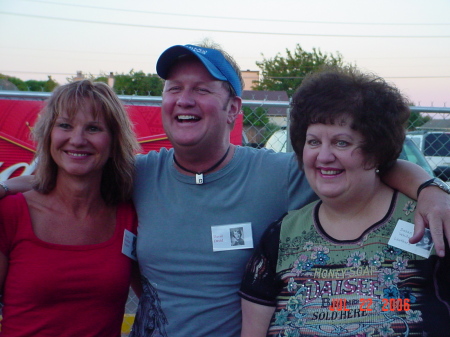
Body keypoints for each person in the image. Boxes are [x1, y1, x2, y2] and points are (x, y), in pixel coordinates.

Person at [3, 44, 450, 337]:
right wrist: (17, 184)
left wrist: (431, 189)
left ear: (234, 107)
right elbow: (70, 169)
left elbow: (366, 161)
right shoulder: (135, 174)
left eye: (201, 89)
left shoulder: (280, 173)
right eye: (174, 88)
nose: (184, 99)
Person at [239, 66, 450, 336]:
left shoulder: (429, 221)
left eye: (341, 143)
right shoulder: (280, 237)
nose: (324, 156)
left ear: (374, 151)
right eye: (313, 142)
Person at [0, 80, 141, 336]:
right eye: (65, 125)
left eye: (93, 128)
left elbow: (157, 299)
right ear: (49, 135)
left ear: (113, 142)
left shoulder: (130, 216)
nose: (77, 140)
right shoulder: (10, 213)